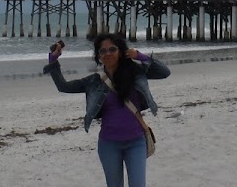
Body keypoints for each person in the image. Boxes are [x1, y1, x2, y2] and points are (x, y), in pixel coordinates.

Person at [44, 33, 170, 187]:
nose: (107, 53)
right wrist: (53, 59)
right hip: (109, 144)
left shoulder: (135, 72)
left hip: (136, 142)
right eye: (102, 51)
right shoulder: (94, 81)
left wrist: (139, 55)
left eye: (112, 49)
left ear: (121, 52)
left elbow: (164, 72)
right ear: (99, 56)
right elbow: (63, 86)